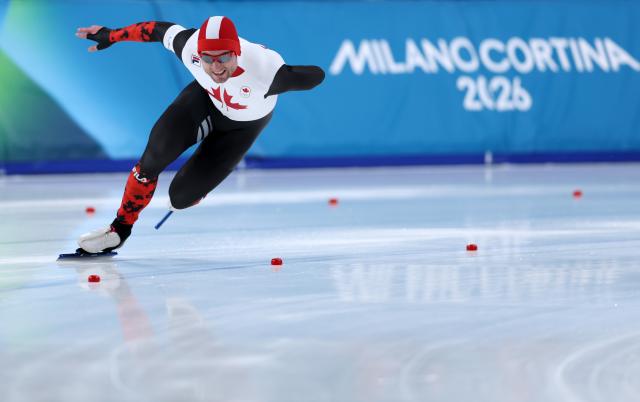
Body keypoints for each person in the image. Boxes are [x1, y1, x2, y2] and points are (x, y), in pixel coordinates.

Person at [74, 17, 325, 253]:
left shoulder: (267, 72)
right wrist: (112, 36)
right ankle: (119, 229)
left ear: (237, 51)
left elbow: (316, 75)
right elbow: (157, 30)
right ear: (199, 54)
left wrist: (296, 74)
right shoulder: (190, 46)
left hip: (242, 128)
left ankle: (195, 190)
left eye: (224, 57)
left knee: (180, 198)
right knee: (154, 156)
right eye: (208, 58)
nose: (216, 67)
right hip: (204, 101)